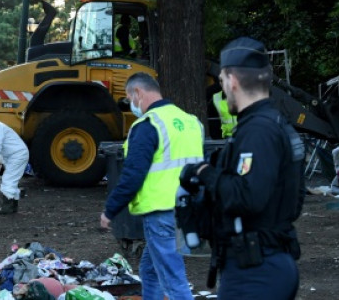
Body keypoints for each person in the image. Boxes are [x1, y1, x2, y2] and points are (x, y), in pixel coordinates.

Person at [181, 37, 304, 299]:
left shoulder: (258, 131)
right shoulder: (273, 124)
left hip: (256, 271)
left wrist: (204, 173)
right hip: (264, 264)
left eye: (223, 82)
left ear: (232, 80)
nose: (223, 89)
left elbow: (247, 197)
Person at [100, 72, 203, 300]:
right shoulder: (190, 122)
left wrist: (110, 210)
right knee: (150, 269)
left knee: (174, 281)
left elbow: (133, 175)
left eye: (129, 99)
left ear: (138, 93)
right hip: (188, 211)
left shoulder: (148, 125)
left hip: (162, 213)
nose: (131, 105)